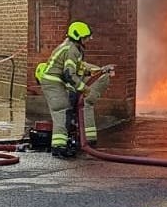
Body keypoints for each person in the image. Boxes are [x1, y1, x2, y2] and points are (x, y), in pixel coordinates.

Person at [36, 20, 115, 157]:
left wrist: (98, 71)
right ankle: (59, 148)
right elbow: (68, 74)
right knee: (62, 110)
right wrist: (83, 88)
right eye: (86, 37)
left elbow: (77, 71)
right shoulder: (71, 49)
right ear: (78, 37)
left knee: (66, 111)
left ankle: (63, 144)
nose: (88, 39)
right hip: (52, 82)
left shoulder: (74, 48)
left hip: (56, 81)